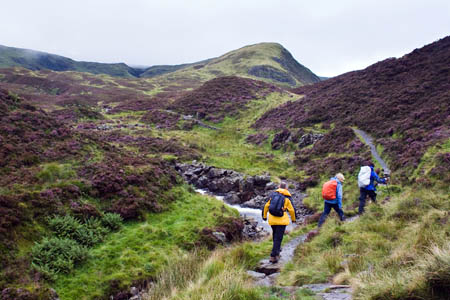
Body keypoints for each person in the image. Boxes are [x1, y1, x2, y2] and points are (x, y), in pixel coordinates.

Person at [262, 182, 296, 263]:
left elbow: (266, 206)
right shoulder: (287, 197)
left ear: (279, 187)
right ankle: (273, 256)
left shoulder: (273, 195)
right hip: (282, 220)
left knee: (275, 235)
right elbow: (292, 210)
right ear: (286, 188)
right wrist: (293, 219)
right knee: (278, 238)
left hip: (272, 219)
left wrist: (264, 216)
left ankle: (277, 250)